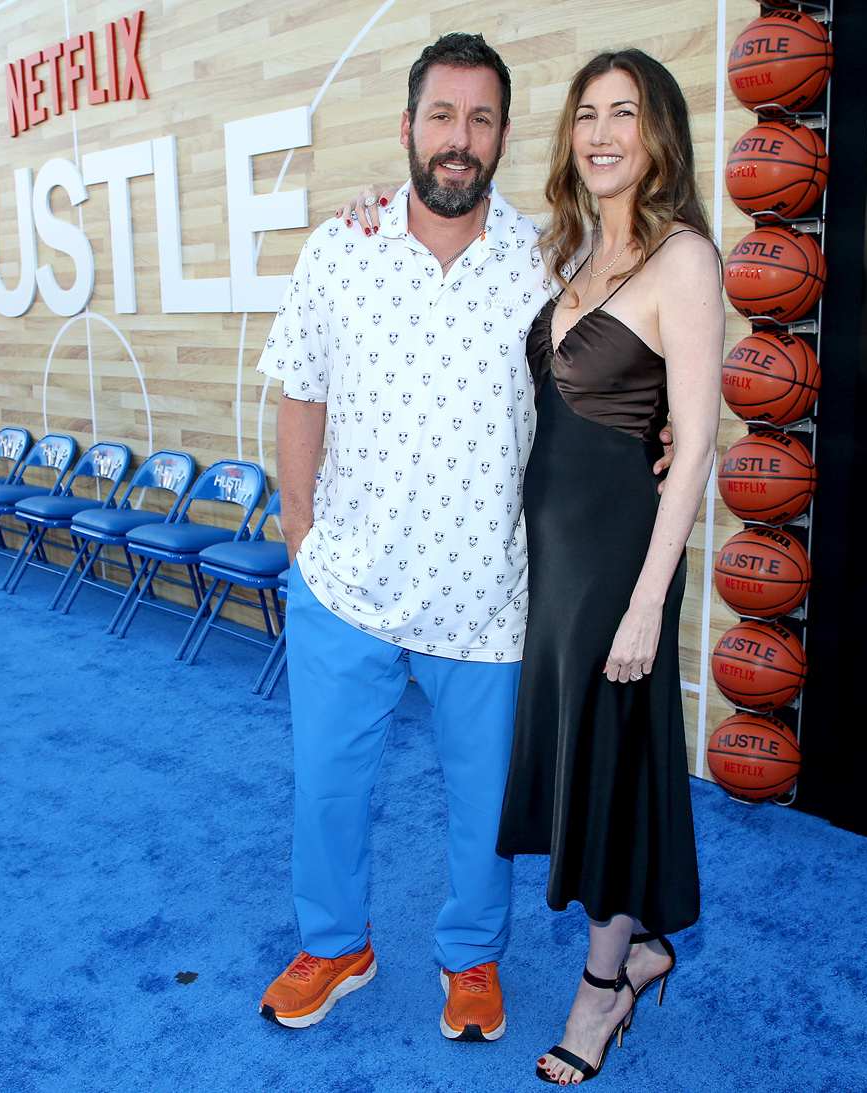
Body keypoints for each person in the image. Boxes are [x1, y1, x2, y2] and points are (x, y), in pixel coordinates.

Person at [340, 49, 722, 1084]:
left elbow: (696, 443)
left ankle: (603, 991)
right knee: (585, 756)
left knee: (609, 751)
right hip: (545, 560)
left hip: (617, 563)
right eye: (586, 114)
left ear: (660, 134)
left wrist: (648, 602)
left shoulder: (683, 258)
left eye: (625, 115)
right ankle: (638, 946)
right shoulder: (564, 254)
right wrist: (373, 205)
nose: (601, 133)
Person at [255, 32, 548, 1042]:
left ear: (503, 134)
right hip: (348, 587)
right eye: (441, 115)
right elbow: (302, 388)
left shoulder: (547, 265)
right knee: (327, 786)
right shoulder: (343, 246)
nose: (458, 139)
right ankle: (336, 943)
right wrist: (299, 532)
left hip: (488, 598)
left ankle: (471, 958)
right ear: (409, 127)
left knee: (483, 811)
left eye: (479, 118)